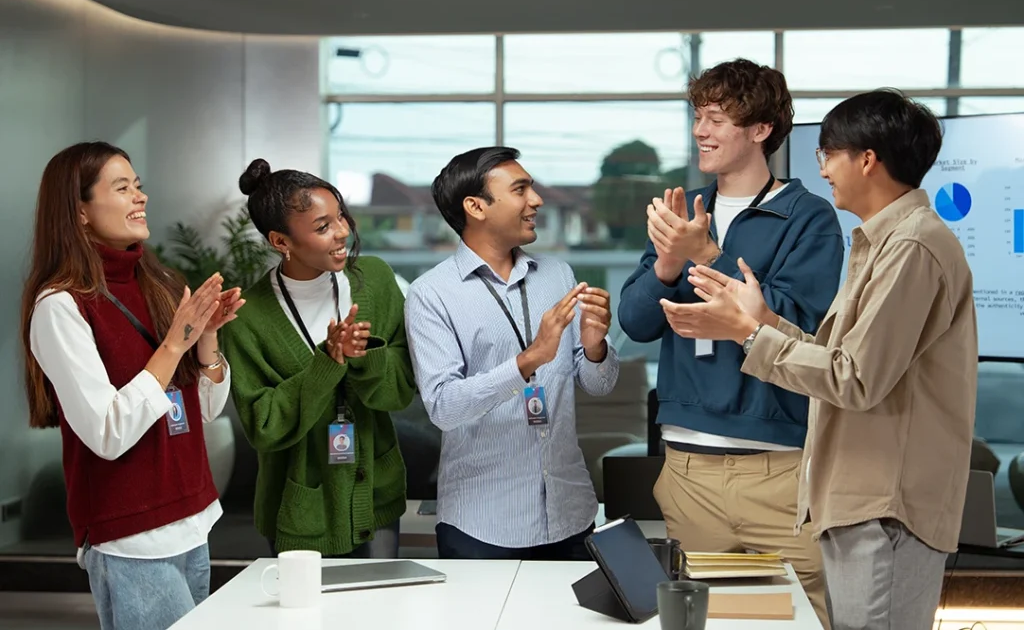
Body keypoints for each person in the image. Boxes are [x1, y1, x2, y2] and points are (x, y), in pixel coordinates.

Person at [662, 89, 977, 630]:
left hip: (885, 502)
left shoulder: (912, 246)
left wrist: (747, 333)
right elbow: (839, 357)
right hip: (859, 496)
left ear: (867, 160)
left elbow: (852, 379)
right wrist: (762, 322)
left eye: (828, 154)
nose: (824, 170)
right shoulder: (882, 242)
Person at [618, 58, 843, 626]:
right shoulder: (683, 212)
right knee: (708, 622)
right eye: (698, 115)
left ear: (761, 130)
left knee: (796, 621)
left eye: (717, 118)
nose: (701, 130)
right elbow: (638, 321)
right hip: (688, 471)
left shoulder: (807, 217)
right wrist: (668, 261)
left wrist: (705, 257)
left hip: (780, 474)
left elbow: (799, 326)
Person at [22, 142, 243, 630]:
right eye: (122, 188)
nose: (139, 197)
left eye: (138, 185)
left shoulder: (162, 283)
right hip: (131, 538)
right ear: (79, 211)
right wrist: (173, 344)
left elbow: (204, 408)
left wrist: (205, 338)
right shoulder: (60, 306)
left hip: (194, 520)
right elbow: (106, 433)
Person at [405, 146, 620, 560]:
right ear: (475, 206)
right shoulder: (431, 295)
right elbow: (443, 407)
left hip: (571, 513)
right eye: (520, 190)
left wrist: (595, 347)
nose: (536, 201)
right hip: (481, 524)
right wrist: (528, 360)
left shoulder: (558, 274)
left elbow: (599, 384)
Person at [221, 159, 416, 559]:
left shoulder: (375, 281)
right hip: (300, 511)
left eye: (340, 216)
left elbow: (402, 391)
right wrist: (328, 361)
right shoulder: (247, 317)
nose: (342, 231)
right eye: (323, 226)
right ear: (281, 241)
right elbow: (263, 425)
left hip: (376, 493)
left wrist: (362, 357)